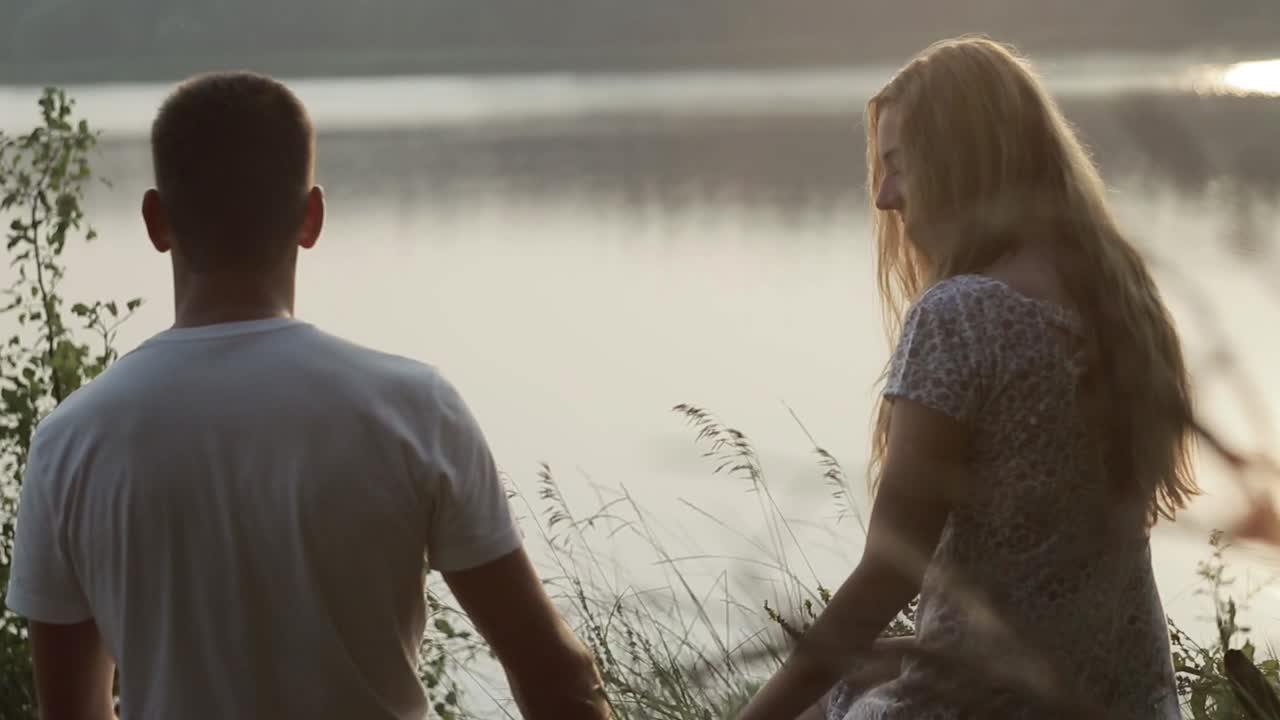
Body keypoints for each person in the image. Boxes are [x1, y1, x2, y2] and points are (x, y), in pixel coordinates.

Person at [5, 71, 610, 720]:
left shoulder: (71, 441)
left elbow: (70, 713)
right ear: (311, 217)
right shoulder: (413, 410)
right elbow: (554, 677)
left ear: (157, 221)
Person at [737, 36, 1195, 720]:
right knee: (857, 672)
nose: (885, 196)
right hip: (1129, 700)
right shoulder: (1120, 299)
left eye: (898, 166)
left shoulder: (962, 315)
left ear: (959, 163)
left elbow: (892, 568)